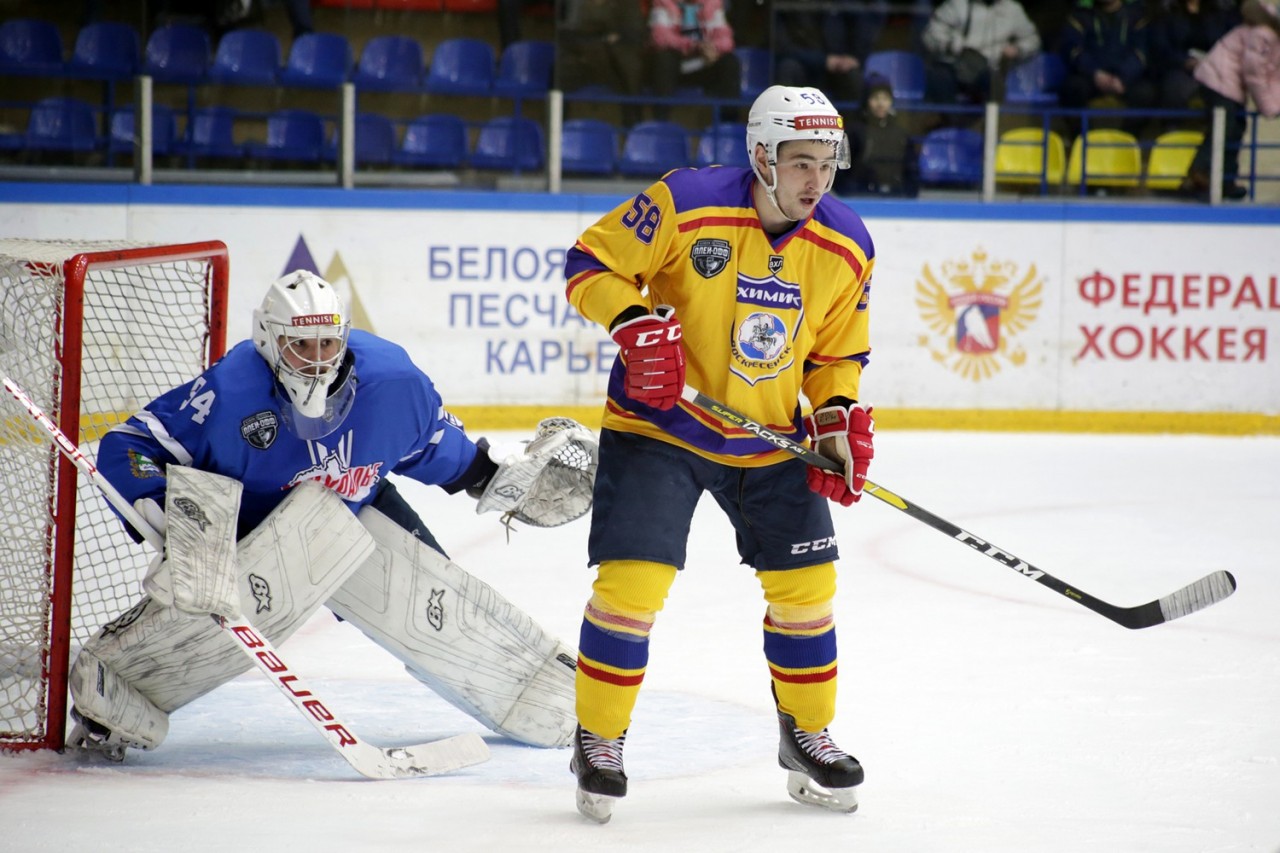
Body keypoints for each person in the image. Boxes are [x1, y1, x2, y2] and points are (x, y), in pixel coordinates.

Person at [66, 270, 597, 760]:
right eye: (301, 346)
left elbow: (438, 450)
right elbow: (129, 443)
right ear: (270, 342)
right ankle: (110, 704)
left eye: (328, 343)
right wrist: (159, 506)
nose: (318, 360)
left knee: (444, 615)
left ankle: (575, 710)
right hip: (254, 540)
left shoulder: (395, 385)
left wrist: (494, 478)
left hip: (356, 518)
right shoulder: (230, 395)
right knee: (207, 625)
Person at [562, 84, 876, 822]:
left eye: (827, 165)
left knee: (806, 592)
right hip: (660, 427)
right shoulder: (687, 202)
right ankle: (598, 740)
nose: (816, 182)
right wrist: (635, 323)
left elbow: (837, 354)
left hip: (770, 438)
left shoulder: (847, 242)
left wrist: (834, 417)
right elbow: (588, 263)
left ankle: (806, 733)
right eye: (801, 163)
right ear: (762, 156)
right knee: (632, 588)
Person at [1181, 0, 1280, 199]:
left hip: (1229, 85)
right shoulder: (1264, 34)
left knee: (1235, 129)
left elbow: (1272, 76)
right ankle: (1198, 175)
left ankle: (1225, 181)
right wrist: (1270, 107)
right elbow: (1255, 74)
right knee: (1224, 127)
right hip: (1218, 80)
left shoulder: (1271, 37)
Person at [1059, 0, 1158, 130]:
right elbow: (1074, 50)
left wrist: (1123, 78)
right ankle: (1083, 141)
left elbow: (1141, 51)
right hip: (1091, 76)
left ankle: (1126, 141)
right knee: (1073, 88)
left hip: (1125, 78)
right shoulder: (1080, 17)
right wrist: (1095, 74)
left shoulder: (1137, 16)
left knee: (1146, 93)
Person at [921, 0, 1042, 105]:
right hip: (955, 64)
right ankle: (950, 127)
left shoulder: (1012, 9)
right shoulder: (957, 4)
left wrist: (1018, 49)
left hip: (989, 70)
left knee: (994, 86)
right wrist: (951, 45)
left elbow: (1032, 39)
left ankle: (986, 127)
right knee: (938, 77)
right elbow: (930, 35)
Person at [773, 4, 888, 106]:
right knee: (787, 67)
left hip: (834, 66)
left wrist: (854, 56)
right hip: (802, 66)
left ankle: (853, 127)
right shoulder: (785, 7)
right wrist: (823, 60)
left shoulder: (835, 7)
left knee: (853, 76)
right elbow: (783, 48)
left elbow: (864, 20)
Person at [648, 0, 742, 121]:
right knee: (663, 58)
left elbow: (726, 39)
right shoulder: (663, 4)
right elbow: (660, 36)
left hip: (703, 64)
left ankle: (729, 125)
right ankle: (661, 123)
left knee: (730, 61)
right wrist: (694, 46)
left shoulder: (713, 4)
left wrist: (712, 48)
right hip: (675, 66)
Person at [558, 0, 647, 127]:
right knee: (560, 71)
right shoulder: (585, 5)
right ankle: (557, 127)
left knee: (630, 68)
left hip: (620, 60)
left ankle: (633, 125)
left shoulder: (628, 4)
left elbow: (635, 33)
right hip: (591, 58)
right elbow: (580, 34)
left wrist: (614, 37)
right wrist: (604, 38)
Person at [1146, 0, 1241, 114]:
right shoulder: (1168, 12)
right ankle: (1172, 128)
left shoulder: (1219, 13)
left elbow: (1228, 43)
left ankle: (1221, 130)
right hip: (1178, 67)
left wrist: (1213, 61)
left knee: (1224, 90)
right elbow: (1160, 47)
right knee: (1175, 87)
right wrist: (1185, 61)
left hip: (1211, 66)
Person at [838, 74, 920, 196]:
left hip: (897, 196)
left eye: (885, 98)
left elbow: (911, 169)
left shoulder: (901, 133)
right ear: (867, 100)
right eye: (875, 98)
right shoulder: (854, 132)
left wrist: (907, 194)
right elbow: (841, 170)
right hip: (860, 196)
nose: (881, 104)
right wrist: (849, 192)